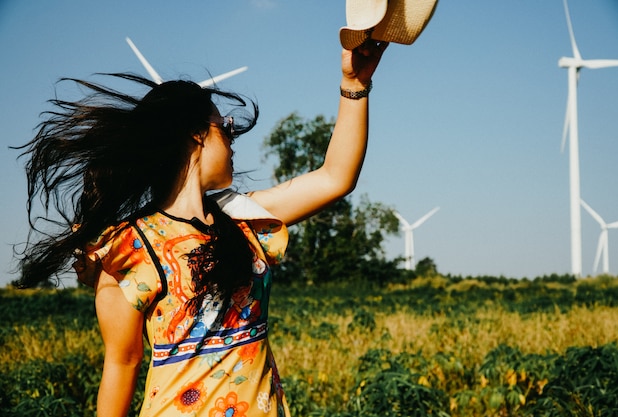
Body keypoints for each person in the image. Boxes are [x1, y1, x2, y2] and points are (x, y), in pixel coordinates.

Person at [15, 39, 387, 417]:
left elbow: (336, 178)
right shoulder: (127, 249)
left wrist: (355, 84)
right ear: (196, 133)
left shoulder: (244, 216)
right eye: (224, 125)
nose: (233, 137)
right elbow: (122, 364)